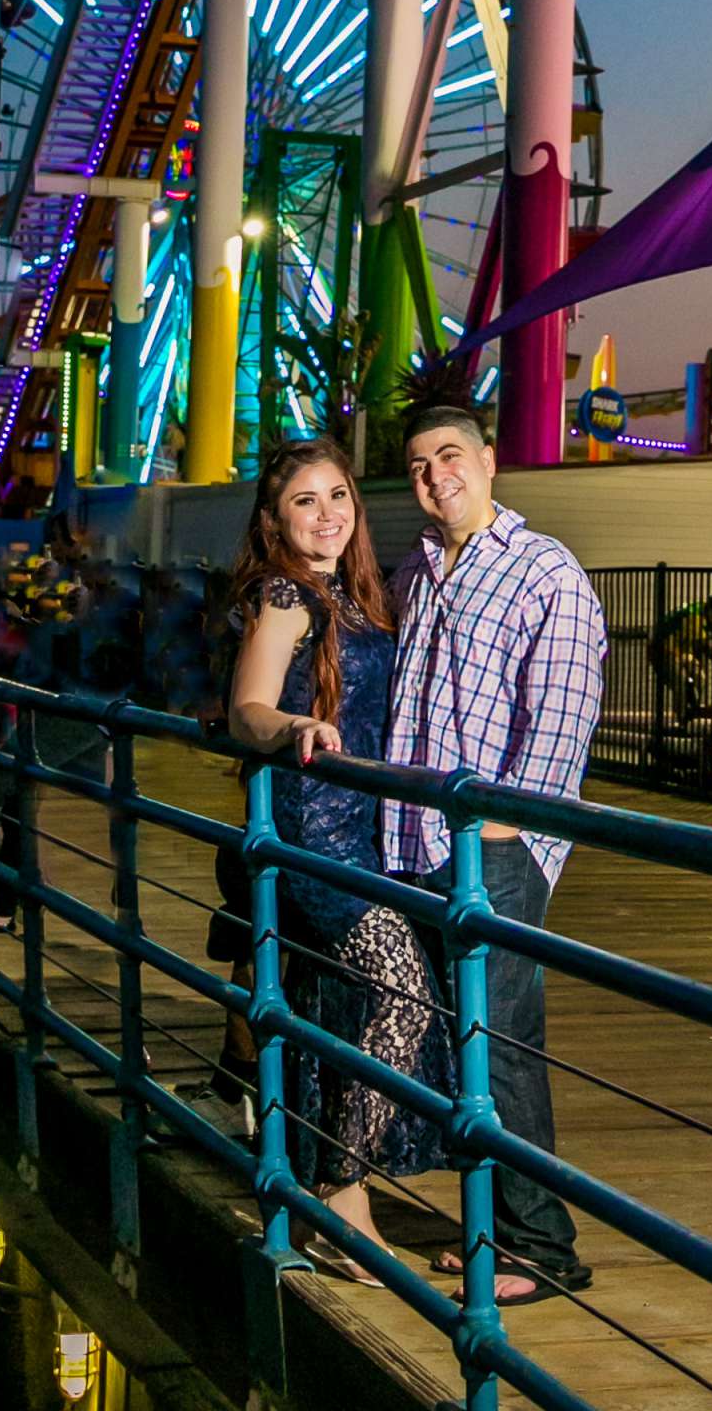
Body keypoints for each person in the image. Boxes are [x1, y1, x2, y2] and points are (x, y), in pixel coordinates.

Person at [384, 405, 606, 1305]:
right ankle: (494, 1226)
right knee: (458, 1043)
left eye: (450, 456)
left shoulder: (544, 569)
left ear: (488, 461)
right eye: (418, 465)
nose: (436, 475)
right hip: (414, 839)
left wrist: (494, 832)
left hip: (493, 850)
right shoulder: (419, 569)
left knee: (502, 1041)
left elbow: (557, 728)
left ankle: (542, 1246)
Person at [227, 438, 454, 1282]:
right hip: (313, 832)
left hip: (367, 831)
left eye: (339, 498)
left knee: (342, 1011)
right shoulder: (287, 594)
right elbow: (246, 707)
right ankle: (340, 1191)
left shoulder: (358, 595)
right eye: (305, 503)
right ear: (274, 520)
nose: (327, 516)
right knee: (405, 996)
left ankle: (327, 1182)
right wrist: (292, 728)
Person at [650, 590, 712, 721]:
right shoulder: (695, 617)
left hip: (680, 650)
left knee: (700, 678)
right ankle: (680, 721)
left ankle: (690, 713)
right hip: (660, 649)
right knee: (680, 681)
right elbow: (707, 650)